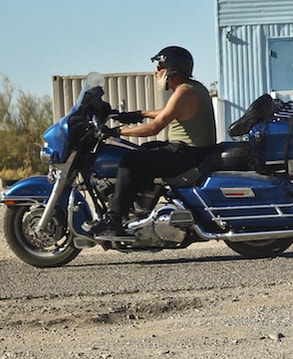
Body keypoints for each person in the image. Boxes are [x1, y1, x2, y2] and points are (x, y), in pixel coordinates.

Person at [91, 46, 217, 240]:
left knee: (131, 161)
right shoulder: (193, 87)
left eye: (160, 67)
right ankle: (140, 209)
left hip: (188, 154)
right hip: (191, 151)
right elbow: (169, 112)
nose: (156, 71)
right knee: (144, 150)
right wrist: (138, 114)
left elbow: (154, 128)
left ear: (172, 70)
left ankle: (114, 220)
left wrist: (115, 132)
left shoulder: (183, 93)